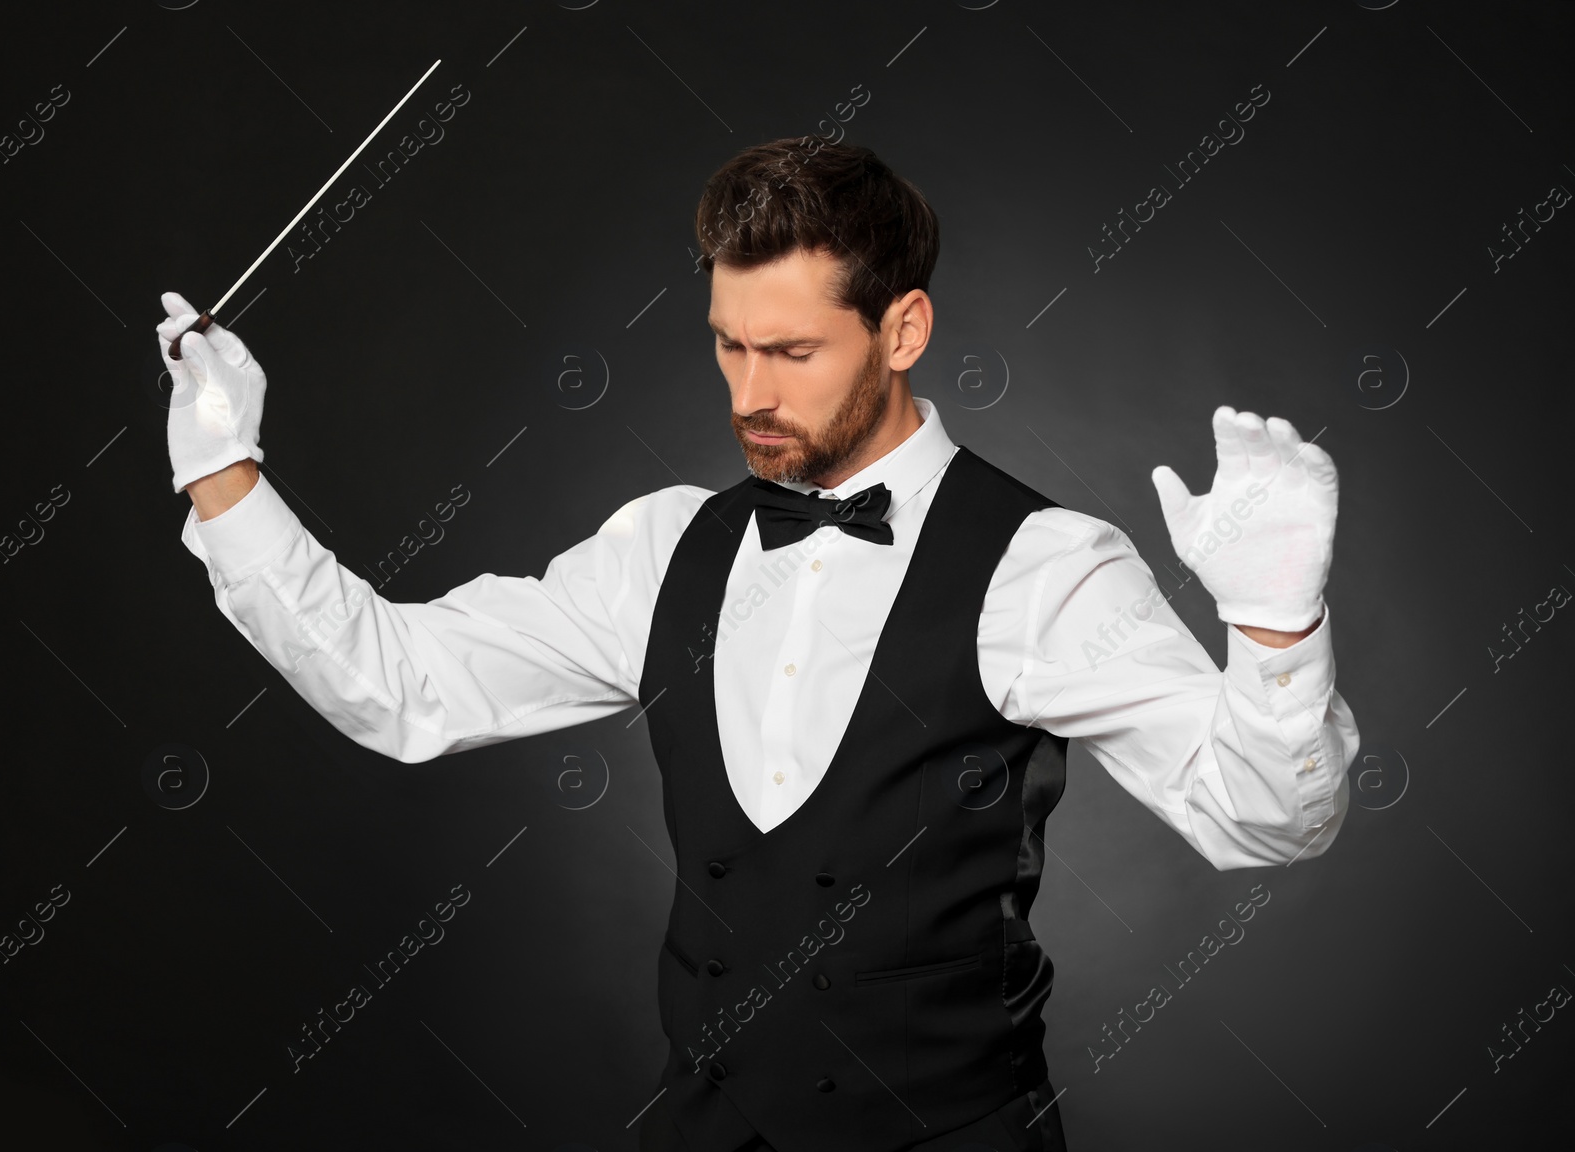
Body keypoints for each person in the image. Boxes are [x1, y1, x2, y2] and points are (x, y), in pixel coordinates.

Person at [158, 138, 1356, 1152]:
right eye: (729, 345)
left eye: (790, 353)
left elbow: (1263, 820)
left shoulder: (1042, 565)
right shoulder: (664, 546)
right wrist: (226, 476)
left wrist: (1274, 622)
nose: (749, 393)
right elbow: (402, 688)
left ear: (903, 329)